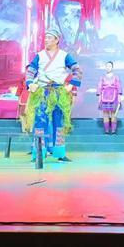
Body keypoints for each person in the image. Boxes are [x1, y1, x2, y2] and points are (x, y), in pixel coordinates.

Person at [25, 28, 82, 163]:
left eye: (49, 38)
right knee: (40, 122)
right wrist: (30, 83)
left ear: (57, 40)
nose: (46, 40)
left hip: (58, 92)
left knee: (59, 123)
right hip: (42, 92)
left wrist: (71, 85)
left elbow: (77, 70)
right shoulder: (40, 55)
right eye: (45, 38)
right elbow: (30, 71)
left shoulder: (64, 55)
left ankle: (60, 152)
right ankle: (39, 152)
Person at [97, 61, 122, 134]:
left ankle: (113, 130)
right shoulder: (102, 77)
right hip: (104, 96)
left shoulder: (116, 77)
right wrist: (99, 97)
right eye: (107, 66)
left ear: (112, 67)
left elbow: (119, 87)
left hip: (114, 96)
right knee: (105, 114)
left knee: (114, 113)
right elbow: (99, 87)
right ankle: (106, 130)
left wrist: (119, 97)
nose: (108, 67)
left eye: (110, 66)